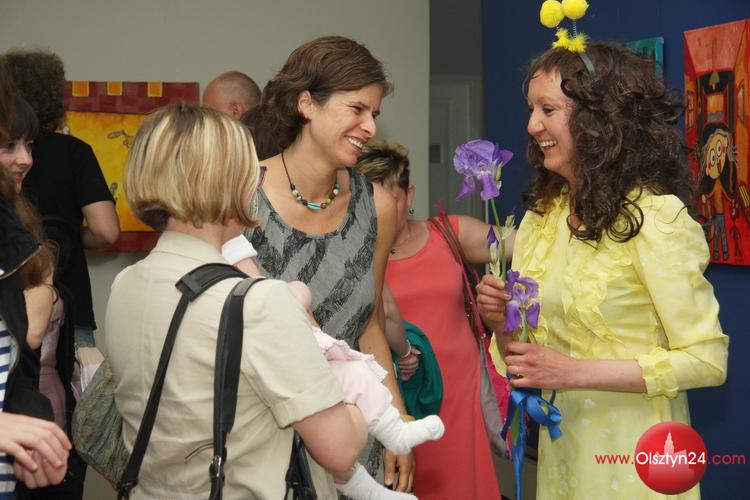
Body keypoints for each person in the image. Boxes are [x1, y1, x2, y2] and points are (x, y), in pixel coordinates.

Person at [476, 42, 729, 499]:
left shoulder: (656, 219)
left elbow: (707, 361)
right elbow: (525, 361)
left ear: (598, 120)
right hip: (564, 458)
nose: (532, 125)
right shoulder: (543, 218)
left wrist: (574, 373)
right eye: (531, 109)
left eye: (548, 109)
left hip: (639, 460)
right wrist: (499, 321)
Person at [105, 104, 367, 498]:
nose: (258, 185)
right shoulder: (260, 303)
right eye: (253, 172)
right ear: (225, 182)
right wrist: (360, 398)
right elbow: (341, 450)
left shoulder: (125, 285)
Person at [246, 35, 413, 492]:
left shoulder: (376, 206)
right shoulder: (243, 193)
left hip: (355, 432)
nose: (370, 127)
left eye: (374, 113)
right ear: (307, 104)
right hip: (264, 435)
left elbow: (370, 323)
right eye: (357, 109)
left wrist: (396, 419)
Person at [224, 237, 443, 500]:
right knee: (353, 381)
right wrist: (295, 291)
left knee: (342, 404)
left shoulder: (231, 258)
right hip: (289, 359)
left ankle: (377, 476)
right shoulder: (236, 267)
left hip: (291, 355)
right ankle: (391, 437)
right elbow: (279, 297)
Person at [356, 140, 507, 500]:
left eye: (390, 199)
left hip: (459, 397)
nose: (378, 211)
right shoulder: (356, 259)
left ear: (409, 196)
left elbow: (529, 243)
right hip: (396, 395)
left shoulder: (447, 233)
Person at [0, 49, 120, 350]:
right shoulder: (74, 151)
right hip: (68, 303)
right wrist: (70, 237)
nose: (24, 159)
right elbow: (106, 230)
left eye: (28, 146)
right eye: (9, 146)